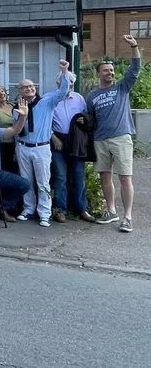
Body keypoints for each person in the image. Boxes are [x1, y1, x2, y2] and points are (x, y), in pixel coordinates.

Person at [88, 34, 141, 233]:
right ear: (98, 74)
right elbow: (90, 119)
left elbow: (135, 68)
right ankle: (111, 211)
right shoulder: (92, 95)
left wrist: (134, 46)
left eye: (111, 70)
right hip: (100, 140)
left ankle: (127, 217)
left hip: (121, 137)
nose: (110, 73)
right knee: (105, 175)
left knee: (125, 177)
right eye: (106, 70)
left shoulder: (122, 87)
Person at [14, 60, 71, 227]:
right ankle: (28, 209)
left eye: (31, 86)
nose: (29, 88)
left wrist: (65, 72)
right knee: (26, 181)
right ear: (20, 91)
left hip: (41, 147)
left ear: (35, 88)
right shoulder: (18, 106)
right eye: (25, 87)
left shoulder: (47, 101)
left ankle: (44, 213)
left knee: (43, 181)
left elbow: (63, 91)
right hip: (23, 147)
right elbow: (17, 128)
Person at [50, 72, 95, 223]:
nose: (67, 84)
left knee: (78, 176)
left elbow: (87, 116)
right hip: (58, 139)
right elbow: (44, 121)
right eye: (63, 81)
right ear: (58, 84)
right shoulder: (51, 98)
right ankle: (60, 209)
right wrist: (53, 137)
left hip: (76, 140)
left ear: (73, 84)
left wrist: (84, 119)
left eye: (70, 82)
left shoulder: (79, 98)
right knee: (60, 177)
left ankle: (81, 209)